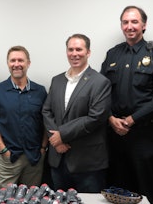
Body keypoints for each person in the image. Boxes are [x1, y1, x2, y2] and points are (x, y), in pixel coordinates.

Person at [100, 5, 153, 204]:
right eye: (125, 22)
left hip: (143, 135)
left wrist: (132, 119)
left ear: (144, 25)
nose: (129, 26)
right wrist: (110, 119)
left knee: (146, 193)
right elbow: (101, 92)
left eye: (134, 22)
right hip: (115, 135)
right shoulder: (113, 54)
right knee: (115, 192)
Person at [42, 33, 111, 193]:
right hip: (58, 160)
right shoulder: (57, 80)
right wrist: (56, 140)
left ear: (88, 52)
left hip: (87, 164)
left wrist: (63, 135)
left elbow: (96, 117)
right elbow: (46, 110)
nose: (74, 53)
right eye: (70, 49)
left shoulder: (100, 82)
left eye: (79, 49)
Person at [0, 46, 48, 188]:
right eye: (12, 60)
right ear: (8, 63)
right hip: (9, 158)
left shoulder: (40, 91)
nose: (16, 64)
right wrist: (3, 150)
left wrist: (43, 148)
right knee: (3, 201)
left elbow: (46, 122)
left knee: (31, 201)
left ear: (28, 63)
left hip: (34, 158)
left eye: (21, 60)